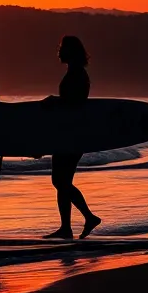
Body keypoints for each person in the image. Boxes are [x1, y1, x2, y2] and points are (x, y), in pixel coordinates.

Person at [43, 36, 102, 240]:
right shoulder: (75, 72)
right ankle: (66, 227)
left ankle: (88, 217)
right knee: (61, 180)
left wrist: (55, 100)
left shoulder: (77, 74)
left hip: (72, 135)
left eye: (62, 48)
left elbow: (74, 103)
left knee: (61, 181)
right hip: (68, 133)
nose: (58, 52)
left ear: (71, 51)